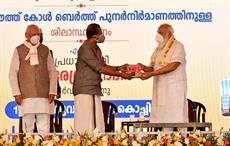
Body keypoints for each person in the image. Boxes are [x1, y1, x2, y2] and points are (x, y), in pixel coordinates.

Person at [72, 23, 132, 133]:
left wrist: (119, 68)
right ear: (94, 36)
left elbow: (104, 65)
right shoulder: (85, 48)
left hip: (94, 88)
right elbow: (100, 68)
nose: (102, 36)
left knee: (96, 122)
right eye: (100, 33)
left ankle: (95, 141)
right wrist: (120, 75)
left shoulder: (97, 48)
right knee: (86, 123)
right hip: (85, 89)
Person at [9, 24, 57, 134]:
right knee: (27, 129)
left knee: (44, 129)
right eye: (34, 34)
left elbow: (52, 72)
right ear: (26, 35)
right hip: (25, 95)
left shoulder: (45, 49)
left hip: (44, 95)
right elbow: (12, 73)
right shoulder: (19, 50)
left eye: (38, 34)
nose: (37, 36)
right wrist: (16, 93)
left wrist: (52, 91)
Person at [138, 23, 188, 125]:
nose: (157, 35)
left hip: (174, 88)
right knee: (163, 119)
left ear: (168, 33)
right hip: (161, 88)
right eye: (157, 32)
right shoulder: (159, 48)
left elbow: (173, 65)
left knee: (176, 117)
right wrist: (143, 68)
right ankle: (164, 139)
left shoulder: (178, 46)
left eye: (160, 33)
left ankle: (182, 139)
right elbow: (153, 68)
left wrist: (152, 74)